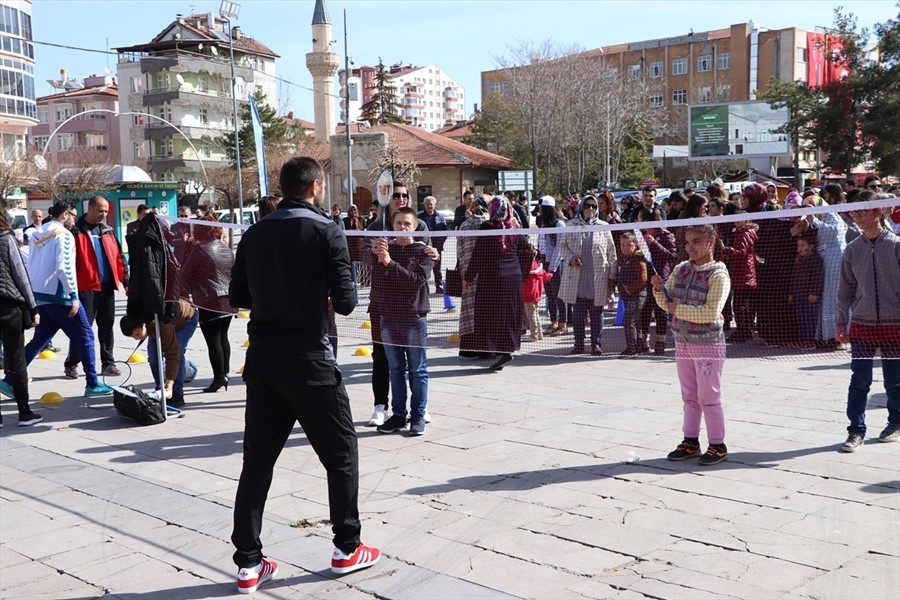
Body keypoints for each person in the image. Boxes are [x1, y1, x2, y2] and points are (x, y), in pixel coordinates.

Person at [229, 157, 379, 591]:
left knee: (256, 463)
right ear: (314, 187)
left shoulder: (255, 233)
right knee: (342, 454)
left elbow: (239, 294)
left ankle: (248, 563)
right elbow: (348, 302)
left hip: (263, 361)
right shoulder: (327, 230)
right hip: (309, 360)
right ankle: (347, 547)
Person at [10, 201, 113, 398]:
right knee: (87, 337)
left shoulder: (37, 233)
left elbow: (31, 263)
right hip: (61, 297)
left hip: (41, 295)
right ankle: (92, 382)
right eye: (73, 215)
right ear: (65, 215)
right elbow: (64, 267)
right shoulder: (64, 234)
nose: (74, 220)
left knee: (38, 341)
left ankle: (10, 379)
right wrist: (73, 296)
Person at [652, 224, 732, 466]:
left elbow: (711, 312)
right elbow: (667, 302)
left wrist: (679, 309)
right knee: (689, 397)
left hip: (708, 344)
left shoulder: (718, 273)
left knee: (709, 397)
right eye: (687, 242)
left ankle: (717, 445)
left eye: (696, 241)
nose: (690, 247)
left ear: (711, 241)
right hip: (682, 343)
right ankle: (690, 441)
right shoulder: (681, 269)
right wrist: (658, 289)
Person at [364, 181, 436, 427]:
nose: (402, 227)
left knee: (417, 369)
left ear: (415, 226)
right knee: (393, 368)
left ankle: (418, 414)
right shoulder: (376, 230)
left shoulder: (423, 252)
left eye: (407, 224)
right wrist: (376, 254)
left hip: (414, 318)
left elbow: (413, 281)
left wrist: (388, 263)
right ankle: (395, 414)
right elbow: (367, 263)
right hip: (386, 316)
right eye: (398, 224)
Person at [835, 190, 900, 452]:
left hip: (895, 324)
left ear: (878, 212)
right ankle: (855, 430)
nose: (856, 215)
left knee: (894, 382)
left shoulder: (896, 247)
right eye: (854, 211)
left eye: (862, 210)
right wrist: (841, 322)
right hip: (861, 324)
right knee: (859, 381)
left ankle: (895, 422)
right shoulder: (852, 249)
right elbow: (845, 290)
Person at [64, 195, 127, 380]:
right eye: (100, 211)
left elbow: (119, 258)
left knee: (107, 326)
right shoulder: (75, 231)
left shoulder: (107, 230)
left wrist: (126, 281)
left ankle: (108, 362)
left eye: (106, 211)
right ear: (89, 208)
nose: (104, 215)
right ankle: (72, 363)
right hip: (85, 287)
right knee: (83, 328)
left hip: (106, 287)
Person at [464, 196, 529, 371]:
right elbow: (526, 251)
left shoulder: (487, 226)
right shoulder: (516, 227)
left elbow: (478, 255)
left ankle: (499, 351)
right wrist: (522, 274)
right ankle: (504, 351)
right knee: (509, 315)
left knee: (490, 315)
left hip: (491, 279)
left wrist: (468, 278)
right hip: (513, 279)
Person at [181, 213, 236, 393]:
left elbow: (185, 274)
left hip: (209, 300)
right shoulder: (225, 248)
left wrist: (190, 291)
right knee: (223, 337)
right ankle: (225, 373)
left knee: (213, 341)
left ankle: (219, 377)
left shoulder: (200, 249)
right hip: (228, 298)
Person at [558, 195, 618, 356]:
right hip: (576, 278)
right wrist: (570, 258)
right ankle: (578, 344)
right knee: (577, 314)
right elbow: (562, 246)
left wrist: (613, 275)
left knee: (597, 313)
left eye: (593, 206)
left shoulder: (603, 226)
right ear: (581, 207)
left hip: (598, 278)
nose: (590, 209)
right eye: (587, 206)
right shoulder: (571, 225)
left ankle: (596, 344)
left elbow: (612, 253)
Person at [0, 210, 41, 427]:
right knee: (16, 359)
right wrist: (33, 306)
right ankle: (24, 412)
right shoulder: (6, 238)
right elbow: (20, 274)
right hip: (9, 307)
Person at [120, 298, 198, 407]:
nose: (136, 339)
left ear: (143, 325)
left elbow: (172, 354)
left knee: (178, 352)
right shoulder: (139, 318)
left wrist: (170, 382)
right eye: (133, 337)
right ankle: (160, 389)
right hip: (163, 320)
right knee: (153, 356)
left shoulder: (162, 325)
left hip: (187, 318)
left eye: (137, 334)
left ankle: (176, 394)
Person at [456, 196, 491, 359]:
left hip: (467, 272)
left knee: (469, 309)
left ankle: (469, 347)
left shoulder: (464, 225)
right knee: (486, 309)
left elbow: (459, 251)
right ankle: (487, 346)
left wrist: (463, 268)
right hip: (488, 273)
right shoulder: (492, 224)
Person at [638, 208, 677, 354]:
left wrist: (654, 243)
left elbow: (672, 255)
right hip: (644, 278)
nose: (638, 221)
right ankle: (644, 341)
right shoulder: (641, 235)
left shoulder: (665, 235)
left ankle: (660, 342)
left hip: (661, 279)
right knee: (644, 310)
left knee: (660, 312)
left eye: (640, 218)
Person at [716, 210, 758, 344]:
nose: (737, 221)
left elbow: (741, 252)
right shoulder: (740, 232)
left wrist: (725, 249)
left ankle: (743, 331)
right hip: (741, 272)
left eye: (740, 218)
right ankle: (745, 331)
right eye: (736, 218)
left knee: (739, 305)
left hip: (744, 273)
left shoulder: (745, 233)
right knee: (742, 304)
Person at [537, 197, 570, 338]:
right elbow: (542, 245)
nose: (539, 211)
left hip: (556, 265)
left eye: (541, 209)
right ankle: (554, 323)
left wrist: (552, 267)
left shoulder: (559, 225)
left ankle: (563, 324)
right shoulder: (544, 225)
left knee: (559, 296)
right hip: (545, 264)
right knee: (550, 295)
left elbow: (559, 248)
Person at [789, 232, 824, 350]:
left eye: (803, 245)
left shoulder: (816, 260)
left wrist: (814, 293)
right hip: (799, 295)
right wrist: (791, 293)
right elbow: (793, 277)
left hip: (809, 296)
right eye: (798, 246)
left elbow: (817, 277)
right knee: (801, 319)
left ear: (812, 246)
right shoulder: (798, 260)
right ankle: (802, 339)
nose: (800, 248)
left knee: (810, 319)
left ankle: (810, 340)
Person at [617, 231, 648, 355]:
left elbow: (643, 278)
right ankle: (640, 345)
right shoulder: (627, 258)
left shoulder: (637, 258)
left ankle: (632, 348)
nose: (624, 247)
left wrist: (630, 288)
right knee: (635, 321)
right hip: (629, 297)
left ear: (635, 245)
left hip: (637, 295)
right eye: (622, 244)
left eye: (628, 244)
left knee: (629, 320)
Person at [417, 195, 448, 293]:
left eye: (431, 204)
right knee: (423, 267)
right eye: (427, 204)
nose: (429, 206)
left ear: (434, 205)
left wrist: (440, 243)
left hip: (437, 246)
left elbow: (445, 232)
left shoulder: (440, 217)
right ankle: (423, 287)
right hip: (423, 247)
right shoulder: (419, 217)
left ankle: (438, 285)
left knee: (437, 268)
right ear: (424, 205)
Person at [522, 248, 551, 342]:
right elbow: (546, 276)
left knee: (531, 316)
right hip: (537, 294)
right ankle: (539, 334)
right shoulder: (538, 265)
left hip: (528, 294)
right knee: (536, 314)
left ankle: (534, 335)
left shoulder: (527, 267)